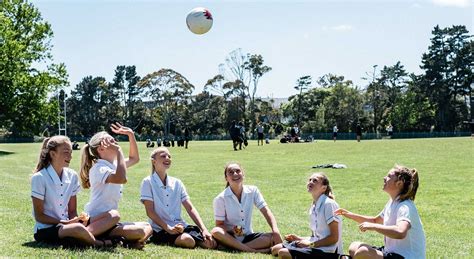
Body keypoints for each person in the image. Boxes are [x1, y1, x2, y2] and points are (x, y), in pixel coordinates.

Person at [31, 136, 119, 248]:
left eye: (71, 152)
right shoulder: (39, 177)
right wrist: (66, 223)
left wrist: (76, 219)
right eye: (66, 152)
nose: (70, 156)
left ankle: (82, 236)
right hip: (46, 229)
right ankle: (99, 243)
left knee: (113, 215)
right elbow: (40, 216)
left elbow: (72, 210)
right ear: (53, 154)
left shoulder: (72, 175)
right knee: (77, 228)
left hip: (68, 225)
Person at [80, 122, 152, 249]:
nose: (116, 143)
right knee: (133, 227)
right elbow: (121, 178)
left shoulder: (113, 164)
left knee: (148, 227)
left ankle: (120, 240)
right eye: (111, 141)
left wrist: (131, 134)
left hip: (110, 222)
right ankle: (90, 236)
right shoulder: (99, 168)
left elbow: (134, 158)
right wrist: (118, 151)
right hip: (98, 220)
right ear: (101, 149)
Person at [334, 165, 426, 259]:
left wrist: (373, 227)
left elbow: (400, 232)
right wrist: (349, 214)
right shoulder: (392, 202)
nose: (384, 178)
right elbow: (375, 220)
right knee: (354, 247)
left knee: (363, 252)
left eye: (389, 176)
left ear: (399, 183)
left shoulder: (405, 206)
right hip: (392, 252)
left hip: (407, 256)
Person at [140, 147, 217, 249]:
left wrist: (203, 229)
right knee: (187, 241)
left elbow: (190, 208)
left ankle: (194, 238)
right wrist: (168, 228)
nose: (167, 158)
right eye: (163, 156)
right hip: (160, 229)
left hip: (180, 227)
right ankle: (191, 239)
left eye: (169, 156)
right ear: (154, 161)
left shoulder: (177, 182)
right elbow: (150, 212)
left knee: (211, 243)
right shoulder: (147, 182)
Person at [211, 162, 283, 253]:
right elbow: (219, 225)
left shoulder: (253, 191)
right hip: (231, 237)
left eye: (238, 171)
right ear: (226, 178)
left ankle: (235, 248)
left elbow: (266, 211)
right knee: (216, 231)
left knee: (272, 237)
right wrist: (238, 231)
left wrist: (276, 231)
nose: (235, 174)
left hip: (249, 237)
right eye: (231, 172)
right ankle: (254, 251)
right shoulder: (220, 198)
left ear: (243, 174)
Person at [271, 173, 343, 259]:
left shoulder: (329, 204)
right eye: (310, 180)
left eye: (315, 180)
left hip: (329, 251)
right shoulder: (314, 205)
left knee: (283, 253)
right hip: (317, 246)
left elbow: (334, 238)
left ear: (324, 188)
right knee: (275, 249)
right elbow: (316, 236)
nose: (310, 182)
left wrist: (311, 245)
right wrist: (299, 238)